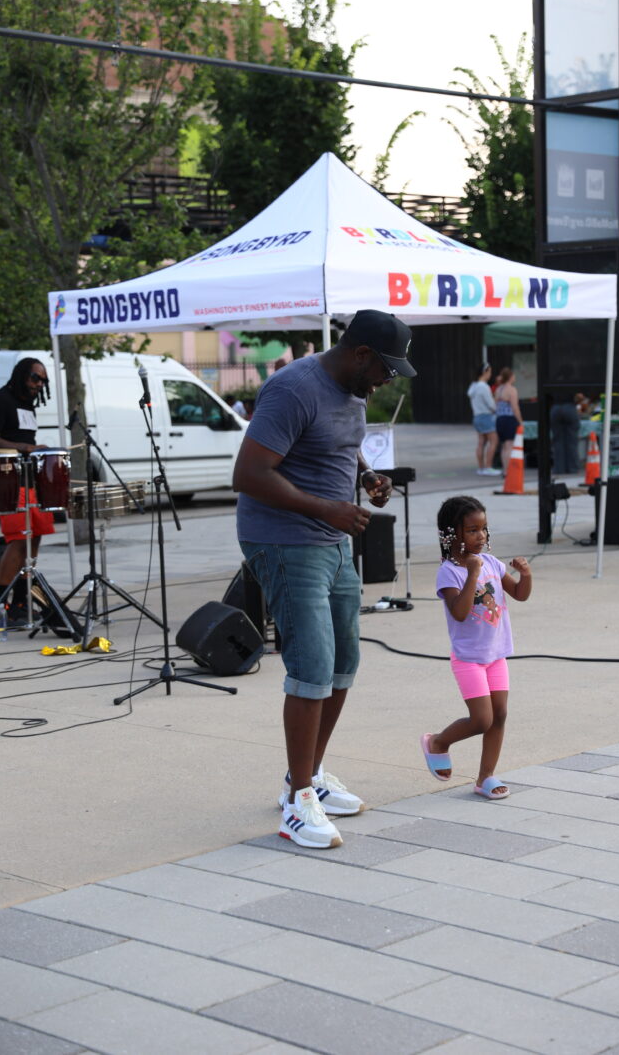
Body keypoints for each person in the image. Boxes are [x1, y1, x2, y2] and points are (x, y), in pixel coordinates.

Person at [233, 309, 416, 849]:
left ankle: (307, 776)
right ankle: (297, 803)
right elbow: (248, 474)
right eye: (385, 370)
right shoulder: (293, 389)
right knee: (312, 666)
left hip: (331, 541)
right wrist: (327, 509)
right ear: (361, 354)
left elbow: (339, 440)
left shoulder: (353, 386)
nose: (387, 381)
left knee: (342, 664)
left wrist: (367, 474)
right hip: (285, 541)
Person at [420, 495, 532, 799]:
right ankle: (438, 742)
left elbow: (520, 594)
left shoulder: (493, 564)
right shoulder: (449, 572)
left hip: (496, 655)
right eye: (472, 530)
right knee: (482, 720)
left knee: (500, 714)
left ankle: (486, 777)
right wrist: (472, 573)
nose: (481, 536)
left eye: (483, 528)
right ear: (450, 534)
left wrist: (526, 575)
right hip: (468, 658)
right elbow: (459, 611)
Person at [0, 358, 55, 624]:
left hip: (31, 478)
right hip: (8, 479)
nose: (39, 384)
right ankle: (2, 604)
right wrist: (25, 448)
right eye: (35, 378)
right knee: (19, 540)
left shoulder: (29, 405)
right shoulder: (3, 399)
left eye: (43, 380)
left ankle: (21, 604)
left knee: (35, 538)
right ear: (22, 375)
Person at [467, 363, 500, 476]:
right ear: (484, 372)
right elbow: (491, 405)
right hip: (486, 416)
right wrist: (496, 402)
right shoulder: (484, 387)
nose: (490, 374)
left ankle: (481, 468)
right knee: (493, 441)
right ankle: (488, 467)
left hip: (477, 416)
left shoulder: (473, 386)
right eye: (489, 372)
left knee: (481, 443)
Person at [494, 367, 523, 475]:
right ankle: (509, 471)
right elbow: (515, 407)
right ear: (510, 377)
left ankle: (504, 470)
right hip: (509, 418)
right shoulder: (512, 390)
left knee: (504, 446)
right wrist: (520, 421)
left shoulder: (498, 390)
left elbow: (495, 405)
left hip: (500, 419)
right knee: (509, 444)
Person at [550, 393, 581, 474]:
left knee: (557, 441)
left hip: (555, 407)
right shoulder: (571, 384)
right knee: (572, 441)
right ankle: (573, 468)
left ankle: (559, 468)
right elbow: (580, 396)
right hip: (569, 407)